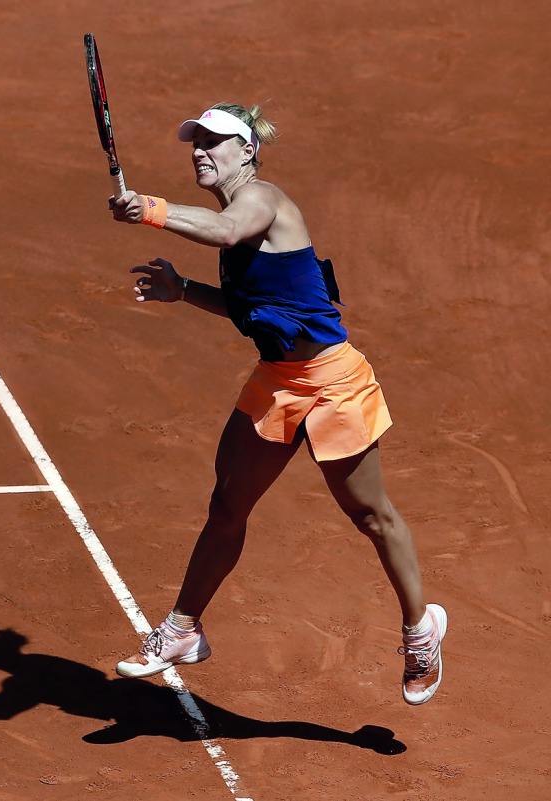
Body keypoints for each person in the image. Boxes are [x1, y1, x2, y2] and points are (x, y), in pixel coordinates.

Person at [107, 103, 447, 705]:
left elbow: (228, 230)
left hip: (332, 382)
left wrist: (153, 210)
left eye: (215, 141)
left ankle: (422, 630)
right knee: (226, 505)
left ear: (247, 151)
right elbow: (251, 309)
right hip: (278, 381)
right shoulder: (234, 220)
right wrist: (184, 292)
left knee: (370, 515)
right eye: (196, 142)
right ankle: (184, 628)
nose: (200, 150)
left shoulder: (263, 200)